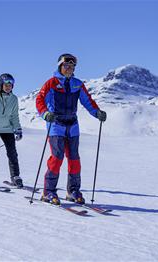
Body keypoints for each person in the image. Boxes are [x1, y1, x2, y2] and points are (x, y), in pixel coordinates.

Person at [36, 53, 107, 205]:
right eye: (66, 66)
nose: (69, 68)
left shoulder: (77, 84)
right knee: (57, 158)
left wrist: (97, 112)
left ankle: (73, 191)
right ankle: (48, 191)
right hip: (56, 125)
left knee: (74, 159)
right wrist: (45, 113)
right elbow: (40, 100)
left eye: (72, 66)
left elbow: (88, 101)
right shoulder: (51, 83)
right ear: (60, 66)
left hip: (73, 125)